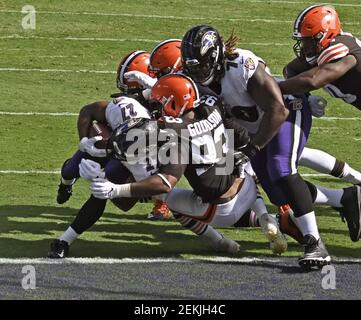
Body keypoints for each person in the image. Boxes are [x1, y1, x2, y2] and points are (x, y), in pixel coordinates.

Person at [180, 25, 335, 268]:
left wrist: (252, 149)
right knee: (277, 192)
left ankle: (315, 244)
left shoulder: (242, 66)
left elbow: (277, 109)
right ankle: (345, 197)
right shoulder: (193, 78)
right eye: (193, 67)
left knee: (280, 168)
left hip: (287, 112)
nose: (198, 72)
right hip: (254, 128)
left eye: (202, 64)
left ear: (216, 56)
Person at [88, 73, 287, 254]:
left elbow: (165, 182)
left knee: (167, 196)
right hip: (246, 188)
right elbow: (240, 136)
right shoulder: (211, 108)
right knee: (239, 160)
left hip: (220, 210)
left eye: (160, 104)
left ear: (173, 104)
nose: (158, 109)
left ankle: (219, 241)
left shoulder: (175, 135)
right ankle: (264, 216)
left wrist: (116, 190)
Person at [280, 4, 361, 111]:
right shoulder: (320, 50)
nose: (304, 47)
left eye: (307, 41)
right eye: (303, 41)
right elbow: (290, 70)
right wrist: (307, 97)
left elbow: (313, 80)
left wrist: (274, 88)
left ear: (323, 36)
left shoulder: (340, 49)